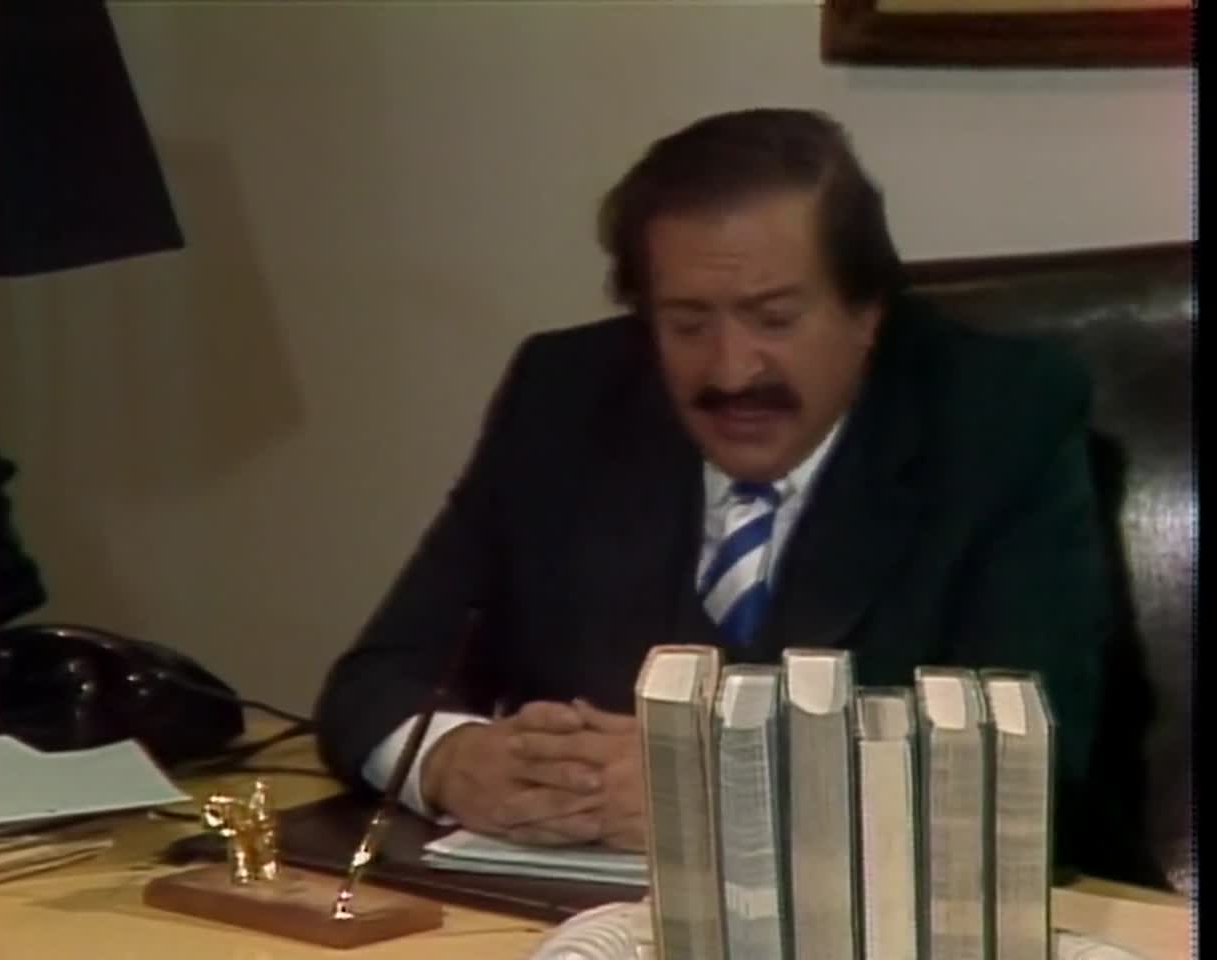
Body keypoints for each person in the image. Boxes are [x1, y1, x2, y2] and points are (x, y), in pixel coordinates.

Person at [315, 109, 1119, 875]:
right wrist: (452, 762)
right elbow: (375, 683)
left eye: (775, 318)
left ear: (867, 311)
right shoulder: (565, 397)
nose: (732, 372)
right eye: (688, 325)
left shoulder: (999, 418)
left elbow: (1029, 775)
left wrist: (719, 793)